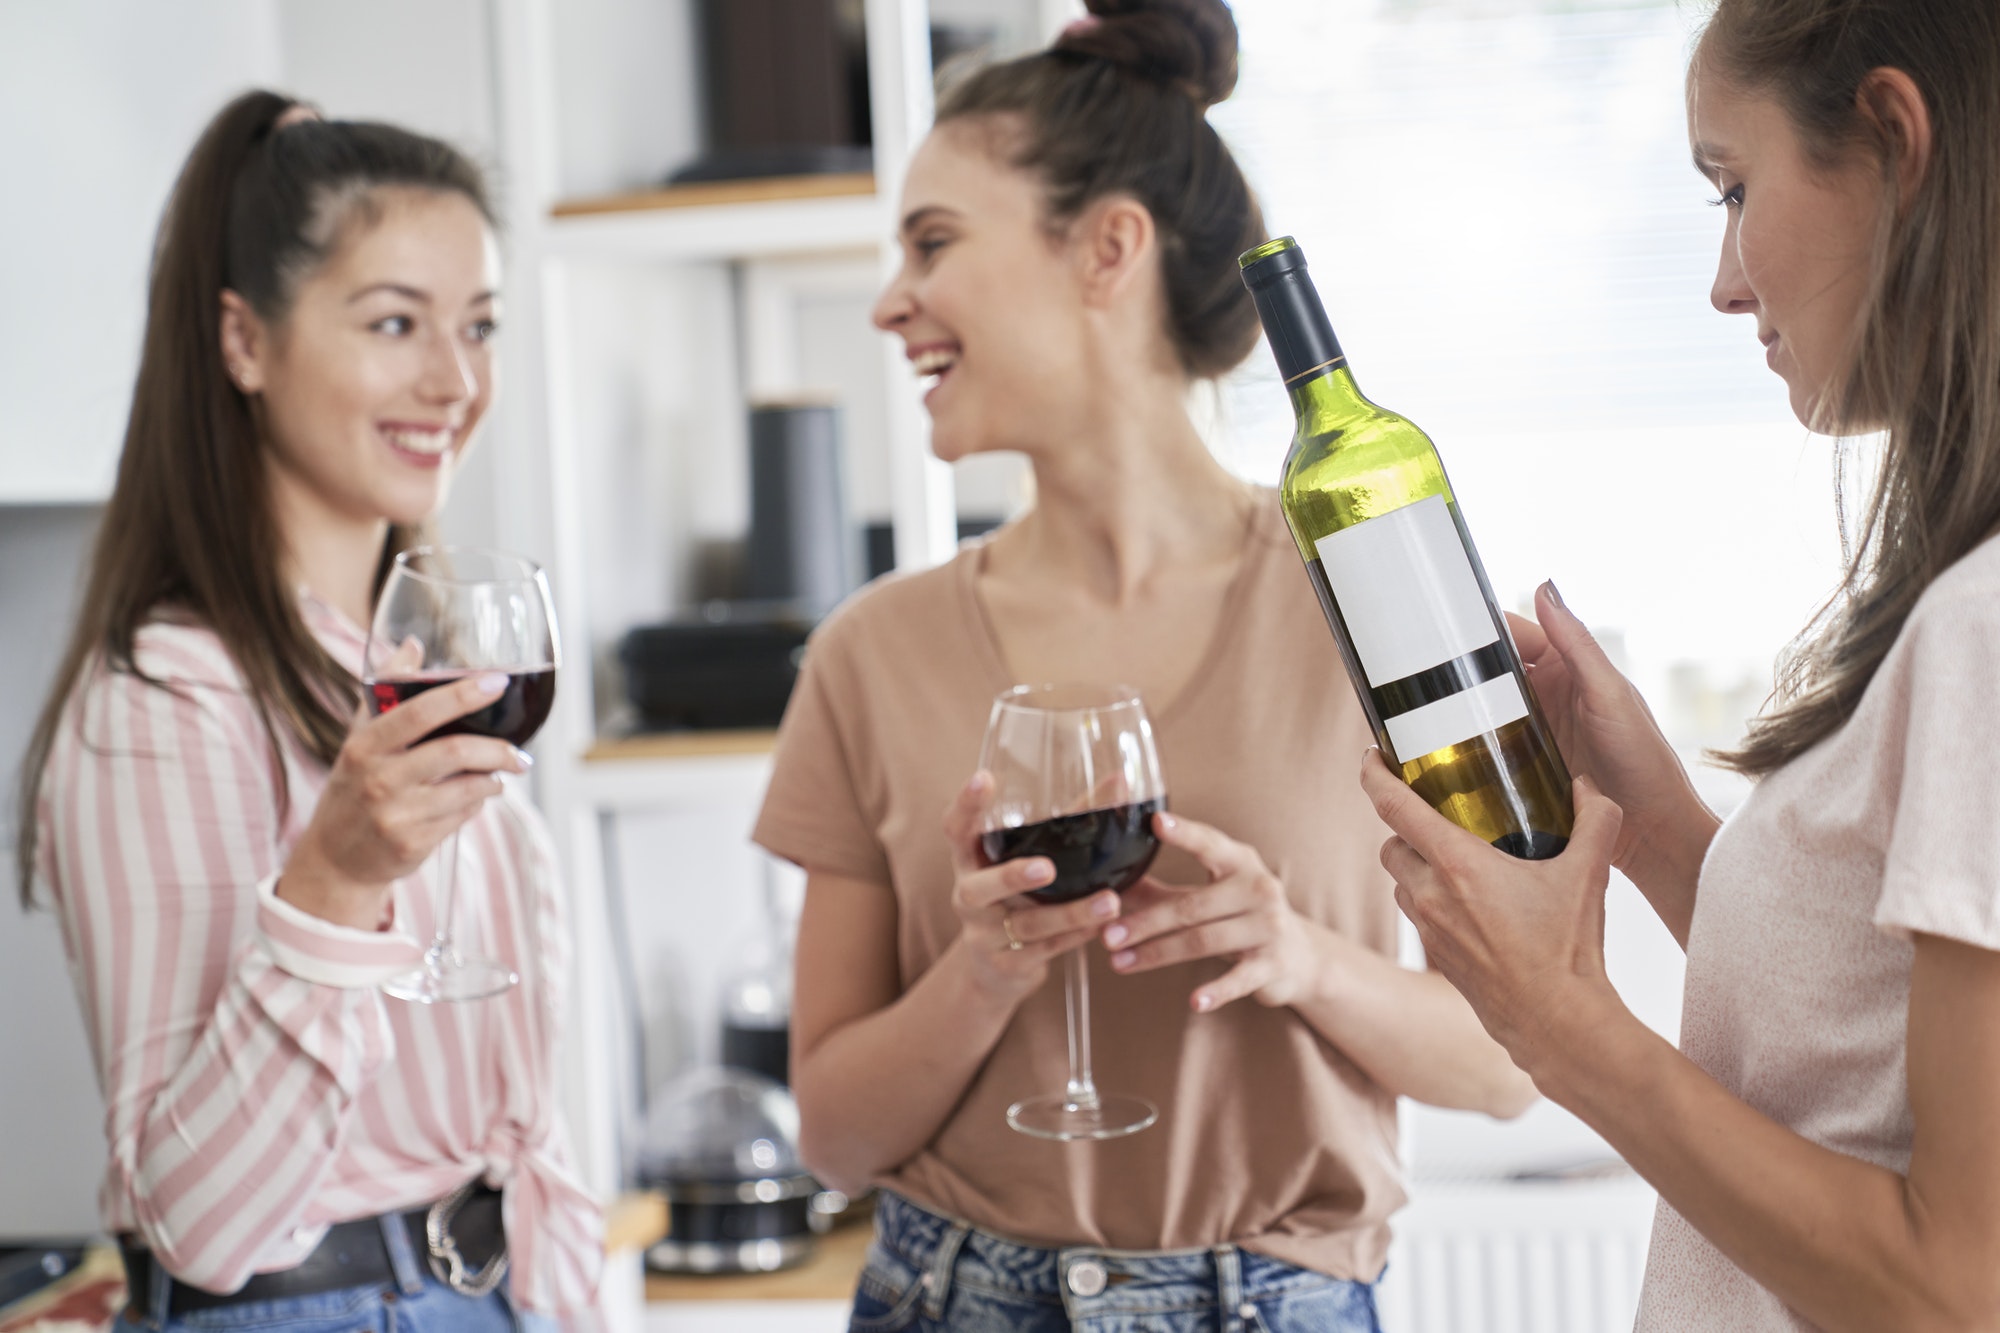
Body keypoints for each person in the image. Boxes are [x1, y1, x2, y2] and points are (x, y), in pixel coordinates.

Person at [752, 3, 1537, 1329]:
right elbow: (831, 1137)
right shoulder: (866, 656)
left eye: (934, 242)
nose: (893, 300)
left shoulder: (1379, 604)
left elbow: (1515, 1065)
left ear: (1107, 248)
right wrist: (987, 968)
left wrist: (1299, 956)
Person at [1359, 1, 2000, 1329]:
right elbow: (1865, 1053)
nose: (1722, 281)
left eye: (1733, 188)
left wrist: (1562, 1026)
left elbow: (1957, 1287)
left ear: (1892, 138)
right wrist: (1652, 819)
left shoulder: (1983, 628)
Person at [15, 91, 601, 1332]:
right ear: (244, 341)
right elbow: (202, 1225)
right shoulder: (166, 700)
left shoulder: (398, 670)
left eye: (479, 326)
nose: (455, 380)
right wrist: (336, 878)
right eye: (396, 323)